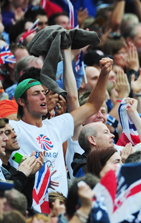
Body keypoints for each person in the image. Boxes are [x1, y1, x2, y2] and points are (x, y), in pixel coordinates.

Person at [9, 56, 112, 196]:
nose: (43, 97)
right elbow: (10, 155)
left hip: (61, 203)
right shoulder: (13, 127)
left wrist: (104, 75)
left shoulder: (56, 125)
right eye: (36, 93)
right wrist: (30, 166)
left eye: (43, 93)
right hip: (34, 205)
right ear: (21, 101)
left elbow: (92, 106)